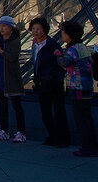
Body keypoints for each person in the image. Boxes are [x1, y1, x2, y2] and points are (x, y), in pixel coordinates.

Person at [55, 21, 98, 157]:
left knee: (81, 119)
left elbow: (64, 63)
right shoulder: (83, 47)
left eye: (63, 32)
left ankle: (87, 147)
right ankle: (93, 146)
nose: (62, 34)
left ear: (70, 34)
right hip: (86, 86)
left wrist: (58, 55)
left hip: (77, 87)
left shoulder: (73, 49)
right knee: (87, 118)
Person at [29, 17, 69, 147]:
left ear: (44, 30)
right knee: (45, 111)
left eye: (38, 29)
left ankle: (62, 138)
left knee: (58, 111)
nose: (35, 31)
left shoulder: (52, 44)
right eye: (33, 29)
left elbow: (60, 63)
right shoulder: (34, 44)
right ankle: (52, 136)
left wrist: (56, 77)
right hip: (41, 82)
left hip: (53, 82)